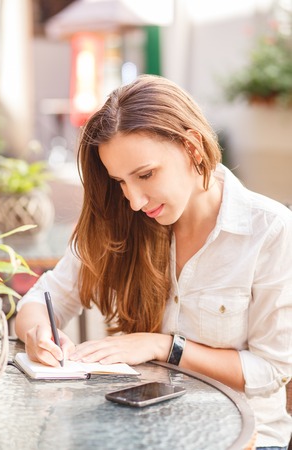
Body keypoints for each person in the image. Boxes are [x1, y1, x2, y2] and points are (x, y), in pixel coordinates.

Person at [15, 74, 292, 450]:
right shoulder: (123, 221)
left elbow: (271, 370)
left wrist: (164, 346)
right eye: (120, 182)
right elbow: (40, 299)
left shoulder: (270, 231)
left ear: (193, 147)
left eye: (145, 175)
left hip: (249, 438)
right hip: (142, 431)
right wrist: (39, 335)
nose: (134, 200)